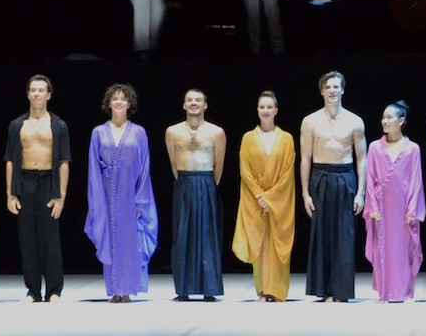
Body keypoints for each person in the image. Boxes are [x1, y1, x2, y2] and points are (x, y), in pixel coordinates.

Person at [84, 84, 159, 303]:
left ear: (129, 104)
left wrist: (140, 201)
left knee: (129, 242)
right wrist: (96, 201)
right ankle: (115, 290)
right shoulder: (98, 132)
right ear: (108, 103)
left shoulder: (139, 132)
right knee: (110, 239)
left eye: (123, 99)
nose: (118, 102)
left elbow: (145, 168)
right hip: (106, 194)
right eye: (114, 98)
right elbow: (93, 169)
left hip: (130, 196)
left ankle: (126, 290)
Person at [300, 71, 366, 302]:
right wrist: (305, 193)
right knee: (321, 235)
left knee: (344, 236)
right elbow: (305, 158)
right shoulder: (310, 121)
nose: (332, 91)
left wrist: (361, 192)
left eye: (336, 87)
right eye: (328, 87)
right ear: (322, 91)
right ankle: (324, 290)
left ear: (343, 89)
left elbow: (362, 158)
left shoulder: (355, 121)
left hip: (345, 176)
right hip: (320, 177)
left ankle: (341, 291)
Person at [4, 75, 71, 303]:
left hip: (48, 182)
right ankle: (33, 291)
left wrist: (60, 196)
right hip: (25, 182)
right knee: (27, 239)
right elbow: (11, 160)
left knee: (50, 238)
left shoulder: (59, 125)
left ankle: (54, 290)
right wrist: (10, 193)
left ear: (49, 95)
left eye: (41, 90)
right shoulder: (17, 125)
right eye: (33, 90)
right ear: (28, 94)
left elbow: (63, 161)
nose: (36, 94)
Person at [232, 91, 296, 302]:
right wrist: (260, 196)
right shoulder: (248, 138)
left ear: (276, 110)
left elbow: (287, 173)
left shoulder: (286, 138)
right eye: (262, 107)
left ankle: (277, 291)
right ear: (257, 110)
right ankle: (262, 290)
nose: (266, 111)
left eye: (270, 107)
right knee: (260, 245)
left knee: (277, 245)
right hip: (255, 199)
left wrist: (271, 198)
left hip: (278, 201)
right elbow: (245, 171)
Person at [164, 89, 227, 301]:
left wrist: (207, 184)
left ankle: (209, 288)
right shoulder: (172, 132)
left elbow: (219, 165)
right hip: (183, 182)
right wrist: (184, 182)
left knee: (208, 236)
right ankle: (183, 289)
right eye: (189, 100)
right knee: (182, 236)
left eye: (198, 100)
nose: (193, 103)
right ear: (183, 105)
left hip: (207, 181)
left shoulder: (217, 132)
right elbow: (173, 164)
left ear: (205, 105)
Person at [363, 101, 426, 303]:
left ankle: (406, 292)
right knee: (382, 246)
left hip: (404, 206)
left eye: (390, 117)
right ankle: (384, 292)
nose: (385, 121)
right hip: (381, 207)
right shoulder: (374, 147)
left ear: (401, 120)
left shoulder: (412, 149)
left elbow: (416, 179)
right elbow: (370, 177)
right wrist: (372, 205)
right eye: (384, 117)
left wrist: (413, 208)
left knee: (405, 247)